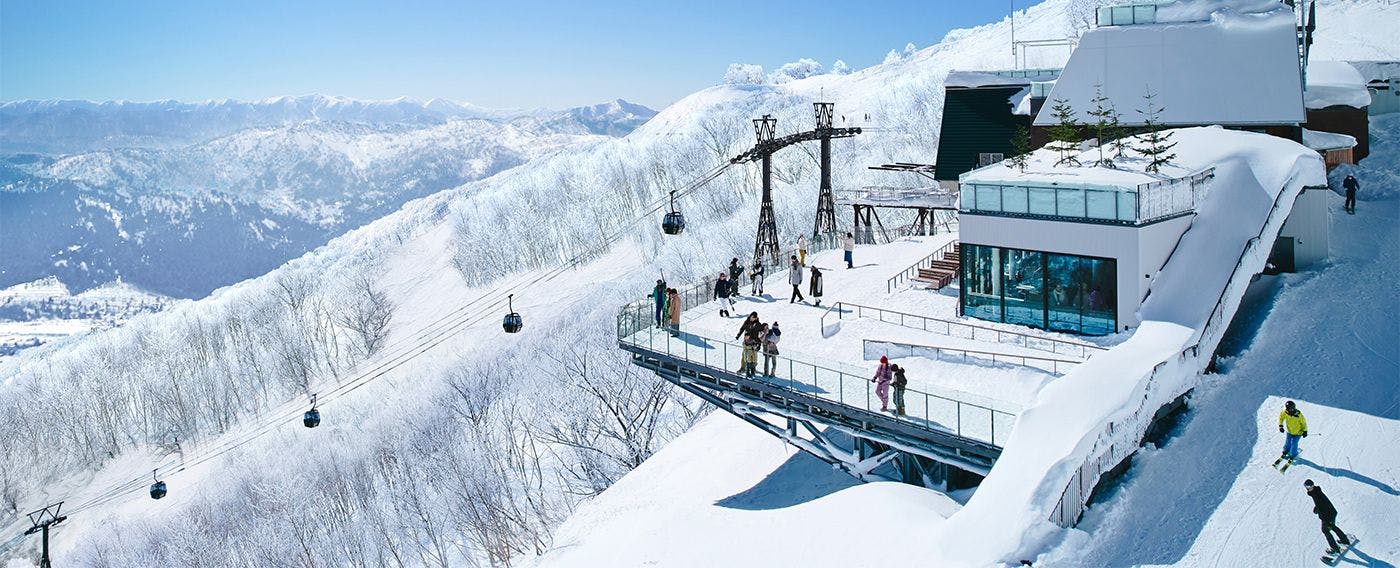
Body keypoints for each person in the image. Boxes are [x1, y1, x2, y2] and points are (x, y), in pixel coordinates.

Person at [1304, 479, 1352, 555]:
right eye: (1308, 487)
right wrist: (1317, 507)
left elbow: (1321, 505)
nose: (1309, 488)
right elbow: (1322, 503)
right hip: (1331, 513)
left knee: (1325, 530)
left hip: (1327, 515)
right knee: (1332, 527)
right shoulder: (1316, 492)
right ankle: (1345, 540)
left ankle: (1335, 549)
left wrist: (1317, 510)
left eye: (1310, 486)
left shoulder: (1316, 494)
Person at [735, 313, 762, 377]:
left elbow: (761, 333)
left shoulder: (758, 324)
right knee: (745, 355)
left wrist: (759, 344)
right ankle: (743, 368)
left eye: (752, 317)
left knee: (754, 357)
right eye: (750, 317)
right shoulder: (747, 322)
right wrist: (738, 335)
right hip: (747, 342)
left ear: (755, 318)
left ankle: (753, 369)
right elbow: (742, 329)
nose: (751, 318)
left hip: (754, 343)